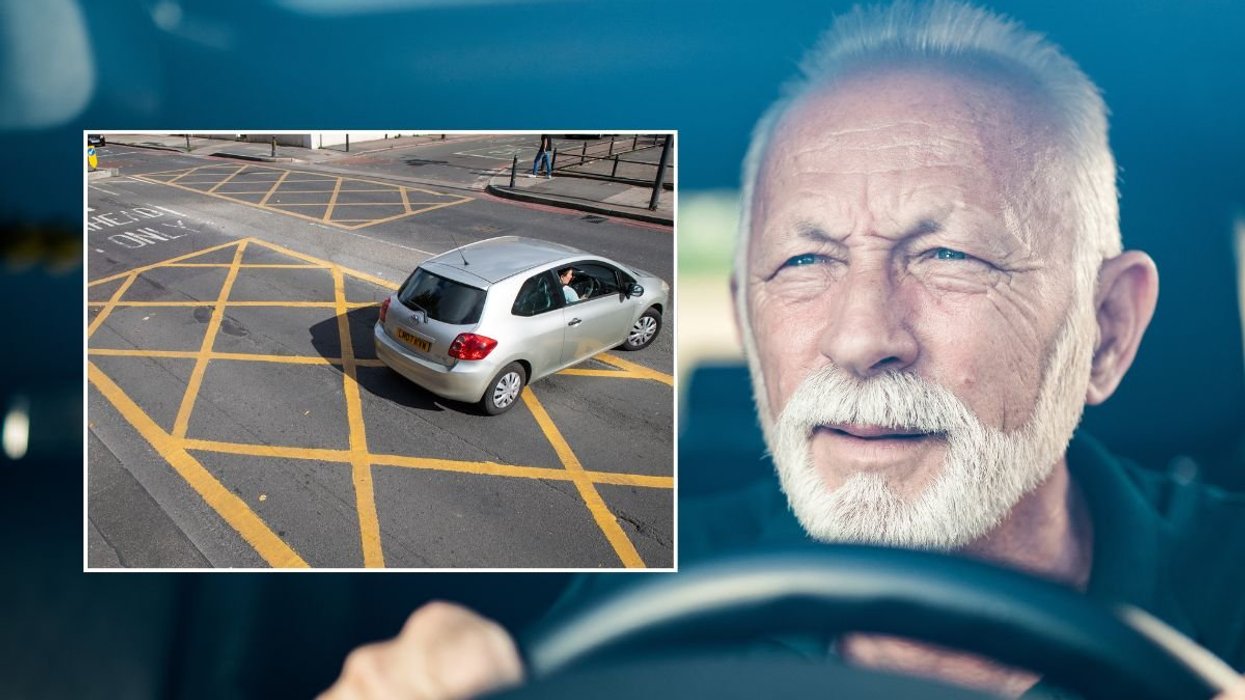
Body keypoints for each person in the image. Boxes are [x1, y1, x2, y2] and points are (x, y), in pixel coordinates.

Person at [319, 2, 1245, 698]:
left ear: (1107, 332)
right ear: (747, 322)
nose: (858, 338)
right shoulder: (635, 625)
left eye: (948, 255)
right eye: (804, 260)